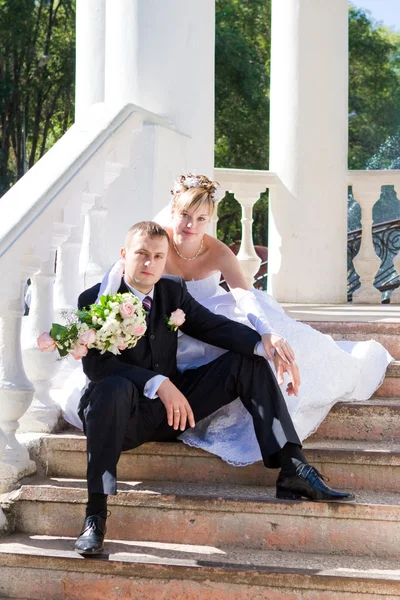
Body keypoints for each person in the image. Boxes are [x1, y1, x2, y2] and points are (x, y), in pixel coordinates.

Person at [74, 221, 353, 556]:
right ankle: (95, 514)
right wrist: (158, 382)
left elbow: (212, 327)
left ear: (165, 261)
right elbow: (96, 367)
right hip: (122, 417)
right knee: (112, 387)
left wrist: (266, 344)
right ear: (124, 255)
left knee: (246, 361)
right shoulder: (95, 298)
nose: (149, 264)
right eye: (141, 255)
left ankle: (293, 468)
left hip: (171, 415)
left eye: (158, 257)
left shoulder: (171, 291)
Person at [92, 173, 393, 467]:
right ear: (173, 211)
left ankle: (289, 461)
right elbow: (120, 276)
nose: (190, 226)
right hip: (162, 333)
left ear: (210, 220)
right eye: (185, 215)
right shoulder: (155, 244)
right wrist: (100, 316)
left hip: (204, 320)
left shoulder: (218, 251)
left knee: (253, 339)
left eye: (201, 219)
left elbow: (244, 296)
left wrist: (266, 333)